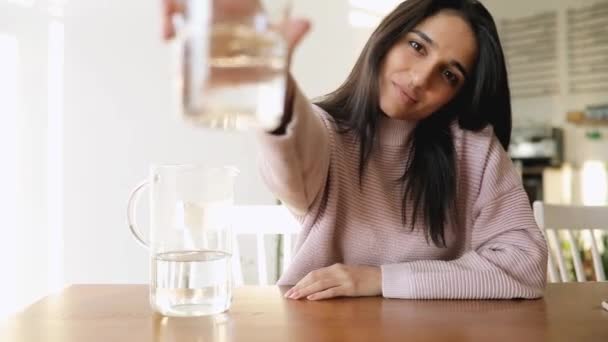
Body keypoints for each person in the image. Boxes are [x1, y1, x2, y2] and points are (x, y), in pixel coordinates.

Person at [163, 0, 548, 300]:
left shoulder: (474, 150)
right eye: (416, 46)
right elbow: (293, 155)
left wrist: (381, 279)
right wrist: (272, 86)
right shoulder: (327, 134)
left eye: (449, 74)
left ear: (458, 94)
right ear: (387, 37)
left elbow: (526, 264)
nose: (419, 78)